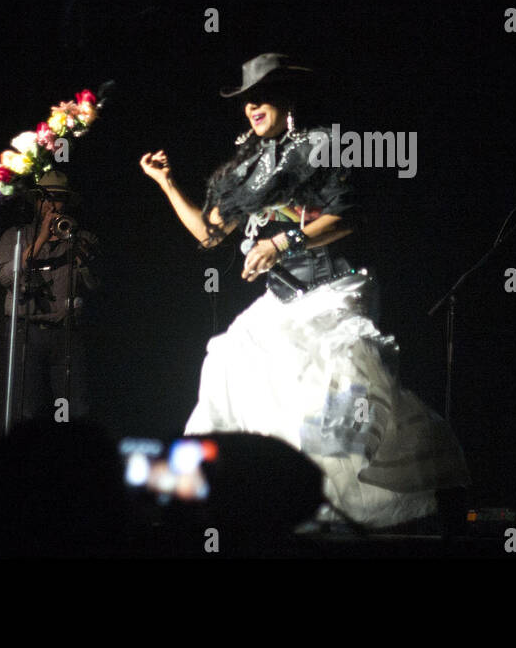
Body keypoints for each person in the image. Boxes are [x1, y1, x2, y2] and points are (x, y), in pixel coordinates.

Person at [139, 53, 467, 528]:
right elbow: (210, 235)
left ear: (287, 99)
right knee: (231, 363)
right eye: (248, 99)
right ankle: (258, 506)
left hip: (329, 291)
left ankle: (347, 513)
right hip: (281, 299)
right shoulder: (246, 165)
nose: (253, 107)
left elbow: (347, 216)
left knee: (331, 408)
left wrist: (282, 239)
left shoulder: (319, 147)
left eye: (263, 97)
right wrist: (166, 183)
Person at [0, 170, 98, 425]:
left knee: (76, 412)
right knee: (25, 412)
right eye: (46, 198)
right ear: (36, 202)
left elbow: (97, 288)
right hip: (25, 333)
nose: (52, 205)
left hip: (67, 335)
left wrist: (83, 263)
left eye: (59, 199)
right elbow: (7, 279)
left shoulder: (83, 239)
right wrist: (39, 241)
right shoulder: (15, 236)